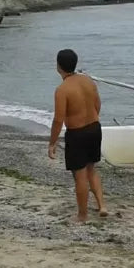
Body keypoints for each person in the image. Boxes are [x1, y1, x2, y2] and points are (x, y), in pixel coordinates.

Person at [48, 48, 107, 222]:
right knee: (91, 169)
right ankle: (102, 205)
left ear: (58, 66)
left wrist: (52, 143)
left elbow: (58, 120)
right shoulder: (88, 81)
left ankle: (82, 215)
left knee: (80, 175)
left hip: (78, 133)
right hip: (95, 128)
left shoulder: (62, 89)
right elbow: (98, 105)